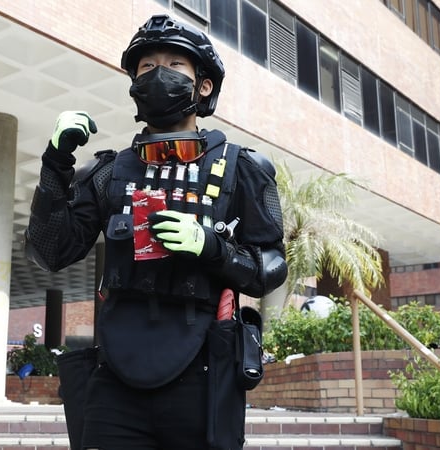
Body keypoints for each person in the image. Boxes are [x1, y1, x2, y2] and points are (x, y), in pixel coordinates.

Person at [24, 14, 287, 450]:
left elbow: (271, 267)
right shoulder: (111, 171)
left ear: (203, 85)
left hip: (202, 373)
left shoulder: (242, 169)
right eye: (147, 66)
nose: (158, 73)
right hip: (115, 378)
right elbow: (49, 251)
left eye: (175, 65)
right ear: (133, 82)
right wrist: (56, 164)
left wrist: (213, 249)